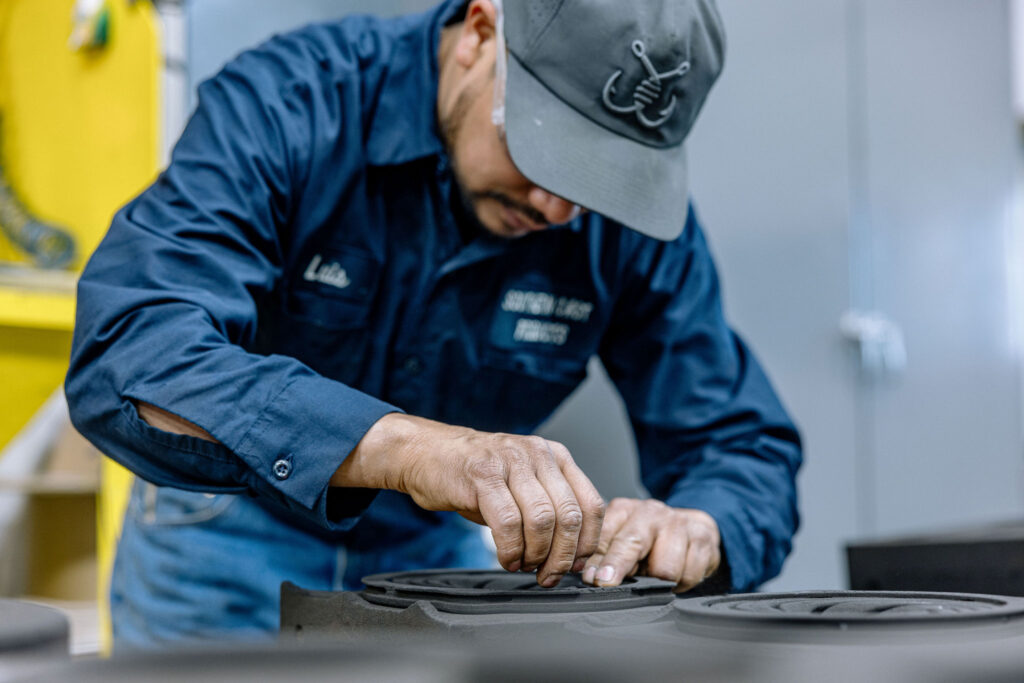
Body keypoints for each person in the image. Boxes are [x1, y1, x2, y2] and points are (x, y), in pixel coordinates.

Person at [66, 0, 801, 648]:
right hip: (222, 540)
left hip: (438, 564)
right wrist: (408, 448)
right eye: (548, 155)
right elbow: (129, 350)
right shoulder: (291, 104)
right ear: (479, 33)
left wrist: (706, 524)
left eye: (598, 180)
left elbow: (739, 441)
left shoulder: (620, 224)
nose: (559, 210)